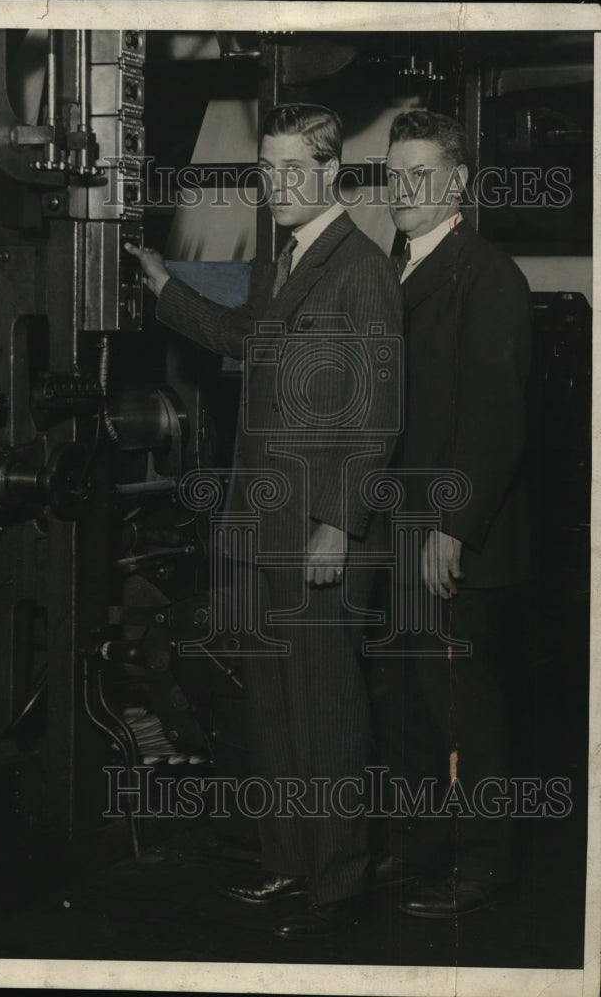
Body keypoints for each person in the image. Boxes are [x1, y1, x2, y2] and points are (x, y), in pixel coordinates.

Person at [126, 103, 402, 940]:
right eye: (267, 170)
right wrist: (167, 290)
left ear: (330, 174)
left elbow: (378, 412)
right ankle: (290, 865)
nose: (278, 185)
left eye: (294, 170)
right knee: (277, 714)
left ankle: (340, 884)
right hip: (262, 522)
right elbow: (244, 337)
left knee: (325, 712)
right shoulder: (283, 260)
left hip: (318, 530)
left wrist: (337, 522)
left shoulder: (361, 269)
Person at [367, 110, 532, 918]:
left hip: (447, 534)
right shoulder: (399, 268)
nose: (404, 190)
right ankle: (422, 845)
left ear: (458, 182)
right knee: (407, 701)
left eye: (421, 175)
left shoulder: (487, 274)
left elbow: (495, 416)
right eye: (394, 176)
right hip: (397, 529)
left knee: (463, 703)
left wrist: (451, 525)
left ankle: (484, 860)